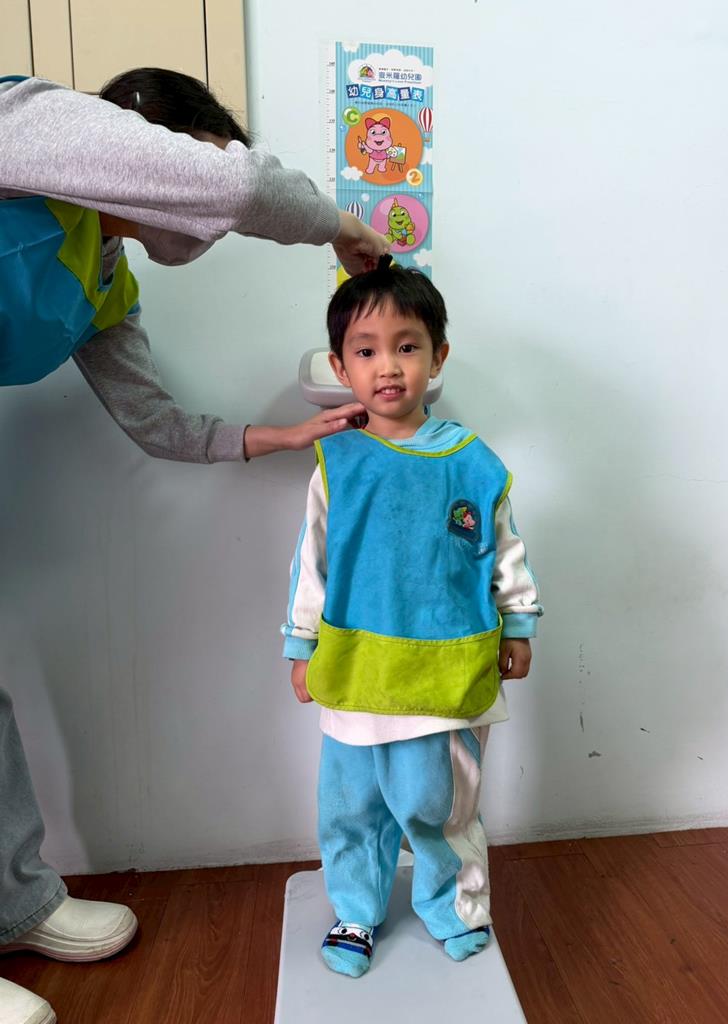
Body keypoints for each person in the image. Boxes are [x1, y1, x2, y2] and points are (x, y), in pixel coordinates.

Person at [0, 67, 388, 1024]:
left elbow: (154, 423)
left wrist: (279, 438)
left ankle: (16, 903)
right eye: (193, 159)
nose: (202, 212)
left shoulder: (103, 275)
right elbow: (238, 187)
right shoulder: (29, 122)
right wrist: (341, 227)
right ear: (144, 142)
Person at [281, 260, 543, 978]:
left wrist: (518, 622)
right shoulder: (335, 462)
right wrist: (301, 645)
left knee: (438, 807)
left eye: (406, 346)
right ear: (341, 366)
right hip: (354, 673)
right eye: (366, 351)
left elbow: (505, 549)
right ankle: (355, 911)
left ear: (437, 356)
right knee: (350, 805)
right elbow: (311, 562)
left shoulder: (472, 462)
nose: (388, 366)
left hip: (444, 675)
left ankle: (454, 908)